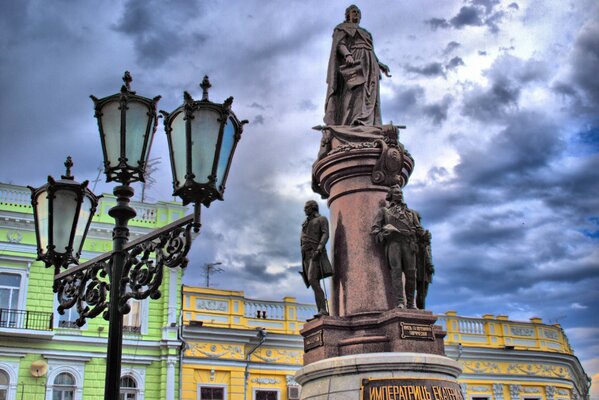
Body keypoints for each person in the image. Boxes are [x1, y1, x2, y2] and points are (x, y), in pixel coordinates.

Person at [324, 4, 391, 127]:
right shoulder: (342, 28)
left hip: (370, 62)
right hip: (355, 60)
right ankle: (350, 122)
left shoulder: (366, 33)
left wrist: (379, 63)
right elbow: (340, 44)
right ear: (348, 15)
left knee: (370, 92)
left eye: (358, 12)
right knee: (354, 92)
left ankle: (368, 123)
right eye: (354, 11)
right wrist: (347, 55)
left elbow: (370, 49)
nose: (356, 14)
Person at [371, 185, 421, 309]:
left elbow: (419, 229)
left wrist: (421, 234)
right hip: (394, 243)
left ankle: (410, 303)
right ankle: (400, 302)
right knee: (396, 273)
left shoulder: (411, 213)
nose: (399, 194)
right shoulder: (384, 211)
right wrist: (384, 233)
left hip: (409, 243)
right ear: (391, 195)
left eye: (400, 192)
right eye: (396, 193)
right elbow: (375, 230)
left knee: (411, 274)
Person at [300, 200, 334, 316]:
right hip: (306, 256)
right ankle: (320, 310)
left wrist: (319, 249)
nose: (305, 210)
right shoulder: (305, 223)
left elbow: (325, 234)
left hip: (315, 253)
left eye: (306, 207)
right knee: (312, 282)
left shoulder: (321, 219)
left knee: (313, 280)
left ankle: (323, 310)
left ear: (313, 208)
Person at [416, 229, 435, 310]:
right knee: (422, 293)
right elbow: (428, 257)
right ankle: (421, 308)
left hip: (420, 272)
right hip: (424, 273)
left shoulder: (419, 245)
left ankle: (420, 307)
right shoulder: (424, 246)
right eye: (428, 238)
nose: (429, 239)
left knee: (421, 292)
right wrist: (430, 266)